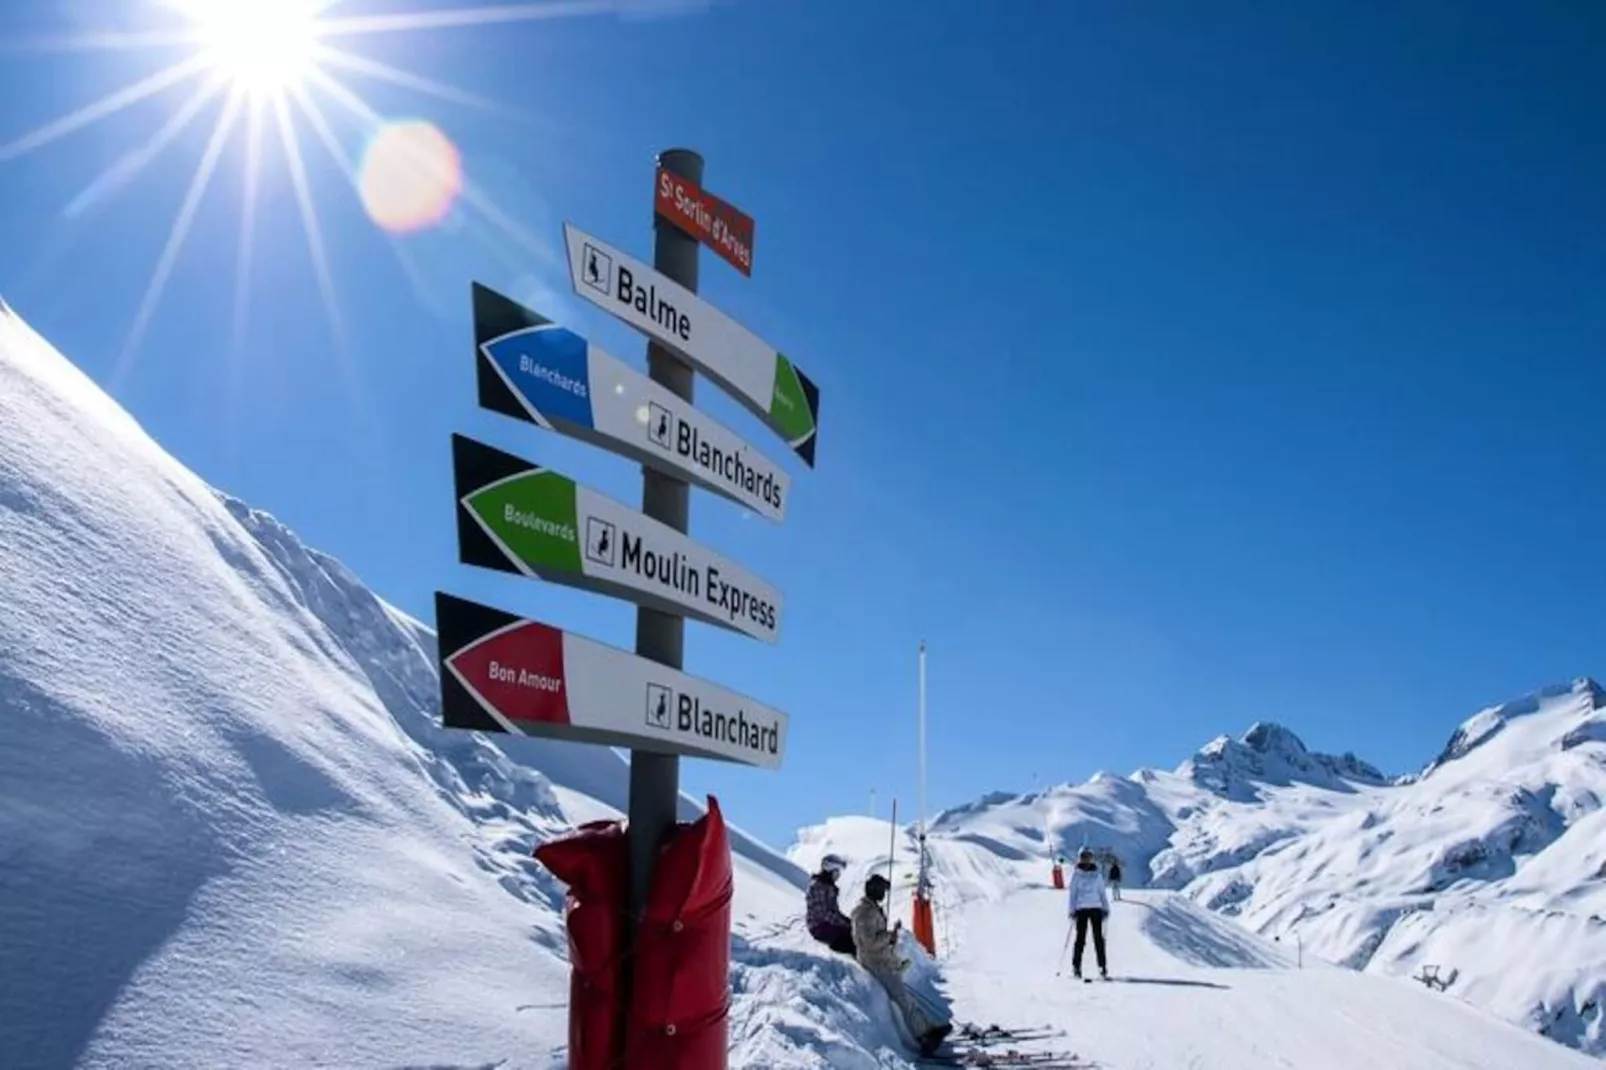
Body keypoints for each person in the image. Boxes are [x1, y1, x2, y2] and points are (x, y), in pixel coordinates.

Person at [852, 873, 953, 1056]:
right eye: (882, 890)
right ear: (874, 889)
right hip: (876, 964)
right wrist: (889, 936)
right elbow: (869, 943)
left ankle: (929, 1030)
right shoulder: (864, 913)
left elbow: (876, 939)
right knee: (904, 1000)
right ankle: (923, 1037)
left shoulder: (871, 909)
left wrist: (891, 936)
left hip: (883, 960)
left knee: (908, 998)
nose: (884, 894)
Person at [1068, 847, 1111, 980]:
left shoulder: (1097, 874)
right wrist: (1071, 910)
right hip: (1081, 909)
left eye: (1088, 856)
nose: (1086, 859)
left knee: (1098, 939)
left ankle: (1102, 967)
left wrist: (1106, 907)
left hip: (1096, 908)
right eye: (1083, 857)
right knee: (1080, 939)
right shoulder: (1076, 874)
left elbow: (1101, 892)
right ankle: (1076, 967)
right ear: (1080, 858)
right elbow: (1073, 893)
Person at [806, 854, 856, 955]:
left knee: (855, 933)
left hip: (827, 925)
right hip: (819, 927)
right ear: (830, 871)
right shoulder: (818, 886)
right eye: (836, 872)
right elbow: (824, 914)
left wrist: (848, 921)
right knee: (851, 939)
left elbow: (834, 911)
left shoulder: (828, 886)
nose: (838, 875)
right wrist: (844, 923)